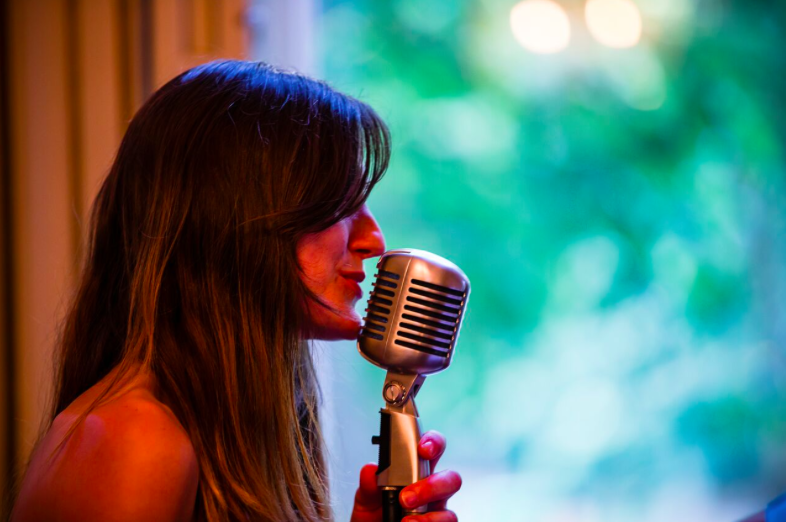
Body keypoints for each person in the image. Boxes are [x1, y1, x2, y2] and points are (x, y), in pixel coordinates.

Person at [10, 60, 461, 522]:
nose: (374, 240)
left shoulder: (191, 429)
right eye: (341, 203)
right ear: (238, 219)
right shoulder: (135, 442)